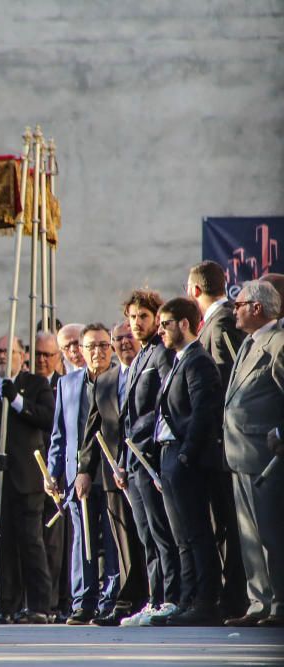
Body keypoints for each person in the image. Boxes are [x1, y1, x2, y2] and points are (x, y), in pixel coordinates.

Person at [152, 297, 223, 626]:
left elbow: (202, 413)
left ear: (184, 323)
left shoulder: (198, 361)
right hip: (169, 455)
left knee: (196, 532)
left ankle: (206, 600)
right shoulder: (177, 360)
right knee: (181, 535)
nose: (160, 330)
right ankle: (187, 597)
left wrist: (185, 454)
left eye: (165, 323)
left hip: (186, 458)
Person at [113, 289, 181, 627]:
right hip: (134, 459)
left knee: (161, 531)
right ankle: (154, 598)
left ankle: (171, 597)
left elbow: (163, 407)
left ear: (156, 318)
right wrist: (123, 461)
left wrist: (148, 449)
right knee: (145, 534)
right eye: (132, 317)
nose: (136, 323)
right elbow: (127, 415)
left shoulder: (161, 354)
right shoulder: (139, 357)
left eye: (143, 316)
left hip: (153, 456)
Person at [186, 260, 248, 618]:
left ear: (194, 290)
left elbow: (226, 383)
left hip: (225, 444)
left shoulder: (222, 322)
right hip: (218, 444)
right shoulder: (216, 321)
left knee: (233, 523)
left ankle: (235, 597)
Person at [0, 335, 54, 624]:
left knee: (31, 542)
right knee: (2, 543)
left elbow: (47, 418)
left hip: (26, 477)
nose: (2, 356)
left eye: (9, 352)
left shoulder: (36, 384)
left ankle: (39, 605)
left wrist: (18, 401)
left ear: (22, 356)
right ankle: (5, 604)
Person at [48, 324, 120, 625]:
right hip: (73, 473)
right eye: (90, 346)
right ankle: (83, 601)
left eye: (103, 345)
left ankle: (113, 598)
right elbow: (59, 433)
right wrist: (52, 472)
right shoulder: (68, 383)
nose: (96, 352)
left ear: (111, 348)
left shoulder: (118, 379)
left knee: (113, 536)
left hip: (109, 469)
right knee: (82, 537)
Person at [77, 321, 148, 626]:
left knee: (150, 537)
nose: (123, 343)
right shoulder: (107, 380)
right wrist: (83, 470)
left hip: (145, 469)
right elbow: (93, 429)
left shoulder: (150, 369)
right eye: (117, 339)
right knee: (121, 542)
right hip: (111, 476)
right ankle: (125, 602)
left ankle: (155, 598)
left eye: (127, 337)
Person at [222, 281, 284, 627]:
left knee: (271, 534)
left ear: (257, 308)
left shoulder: (278, 343)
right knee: (250, 535)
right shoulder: (249, 342)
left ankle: (279, 603)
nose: (235, 309)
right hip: (240, 453)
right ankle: (258, 602)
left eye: (239, 303)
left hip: (267, 456)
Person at [33, 331, 70, 621]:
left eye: (48, 354)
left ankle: (61, 600)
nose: (42, 360)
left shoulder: (64, 385)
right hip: (34, 473)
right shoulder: (25, 386)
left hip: (63, 472)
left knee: (60, 541)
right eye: (37, 354)